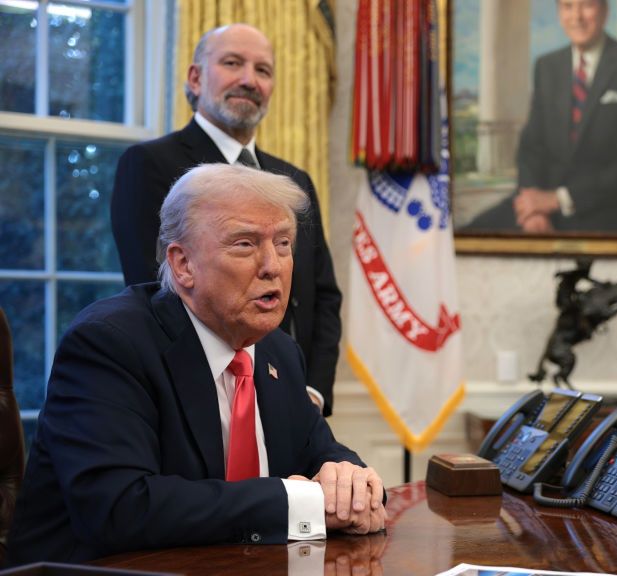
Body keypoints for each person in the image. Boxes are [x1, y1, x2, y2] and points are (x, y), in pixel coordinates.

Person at [7, 164, 386, 565]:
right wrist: (300, 501)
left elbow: (326, 453)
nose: (272, 265)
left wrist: (353, 482)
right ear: (183, 264)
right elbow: (120, 508)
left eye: (284, 243)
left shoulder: (279, 352)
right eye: (245, 244)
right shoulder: (110, 344)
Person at [110, 24, 342, 416]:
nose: (249, 80)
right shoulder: (150, 164)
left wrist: (312, 393)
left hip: (293, 403)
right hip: (194, 399)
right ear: (196, 77)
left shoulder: (294, 180)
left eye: (263, 70)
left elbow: (322, 296)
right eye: (233, 63)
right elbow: (154, 288)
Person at [465, 0, 617, 234]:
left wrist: (559, 199)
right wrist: (534, 208)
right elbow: (531, 147)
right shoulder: (547, 66)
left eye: (586, 6)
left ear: (605, 11)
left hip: (608, 209)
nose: (576, 17)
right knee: (465, 237)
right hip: (542, 205)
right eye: (567, 6)